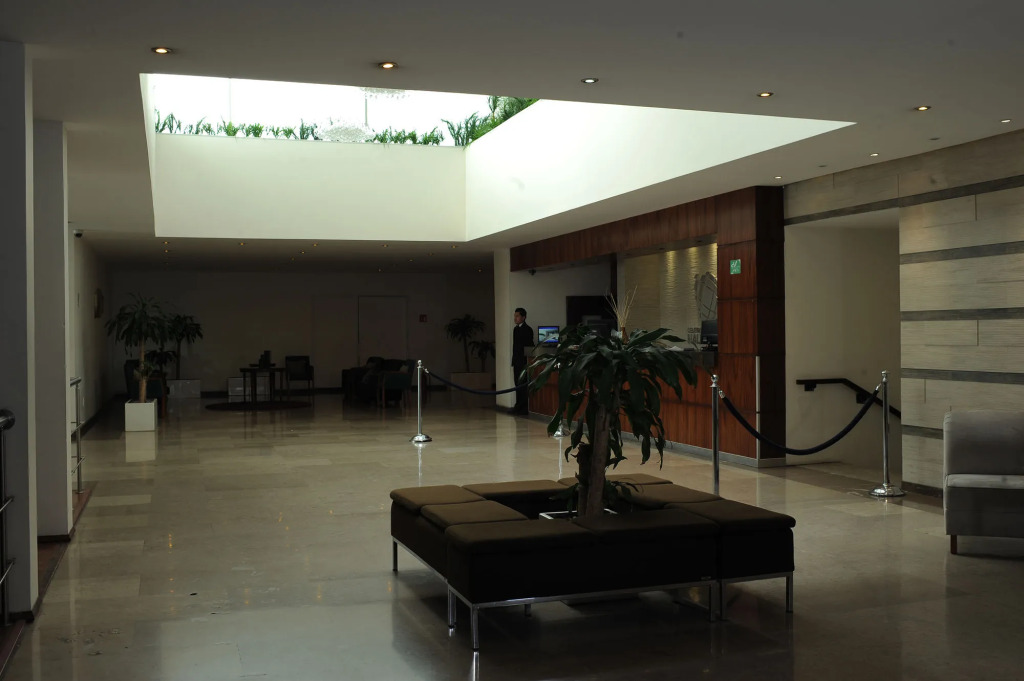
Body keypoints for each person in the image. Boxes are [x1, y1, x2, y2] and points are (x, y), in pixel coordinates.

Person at [511, 307, 534, 415]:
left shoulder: (528, 330)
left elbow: (528, 347)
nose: (515, 318)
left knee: (523, 385)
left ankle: (523, 407)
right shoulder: (515, 329)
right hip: (516, 361)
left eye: (517, 316)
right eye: (514, 316)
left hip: (524, 362)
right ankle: (518, 406)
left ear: (523, 317)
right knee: (517, 384)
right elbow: (515, 347)